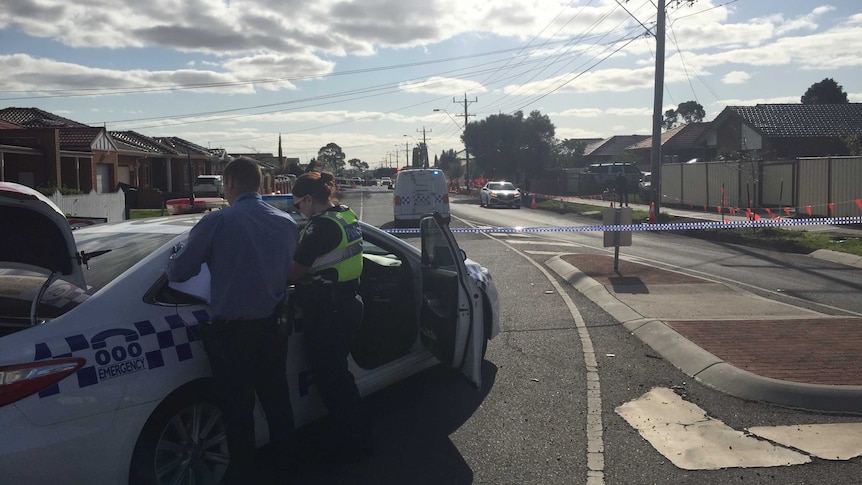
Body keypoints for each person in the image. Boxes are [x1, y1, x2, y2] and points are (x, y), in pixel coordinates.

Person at [166, 156, 299, 483]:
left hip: (233, 335)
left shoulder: (218, 222)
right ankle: (289, 467)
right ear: (260, 184)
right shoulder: (286, 223)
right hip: (273, 328)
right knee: (277, 401)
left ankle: (244, 474)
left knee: (238, 411)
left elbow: (178, 271)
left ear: (230, 184)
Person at [289, 171, 372, 462]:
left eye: (299, 204)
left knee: (333, 381)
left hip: (328, 313)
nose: (298, 209)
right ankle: (354, 435)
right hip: (348, 303)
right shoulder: (344, 215)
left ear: (310, 199)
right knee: (339, 376)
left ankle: (354, 442)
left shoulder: (319, 228)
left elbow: (294, 272)